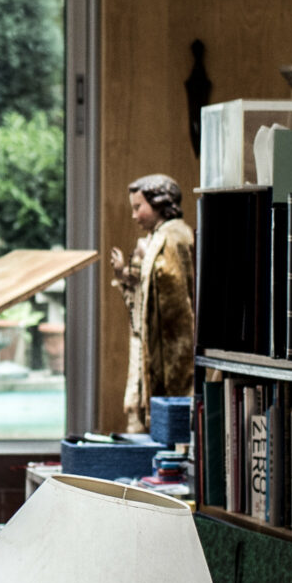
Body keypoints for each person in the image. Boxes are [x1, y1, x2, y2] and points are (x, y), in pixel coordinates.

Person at [110, 174, 196, 433]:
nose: (134, 215)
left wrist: (146, 260)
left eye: (139, 207)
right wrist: (124, 274)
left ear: (159, 202)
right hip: (151, 344)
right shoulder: (156, 238)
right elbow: (142, 294)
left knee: (169, 425)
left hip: (172, 347)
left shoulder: (174, 236)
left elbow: (175, 293)